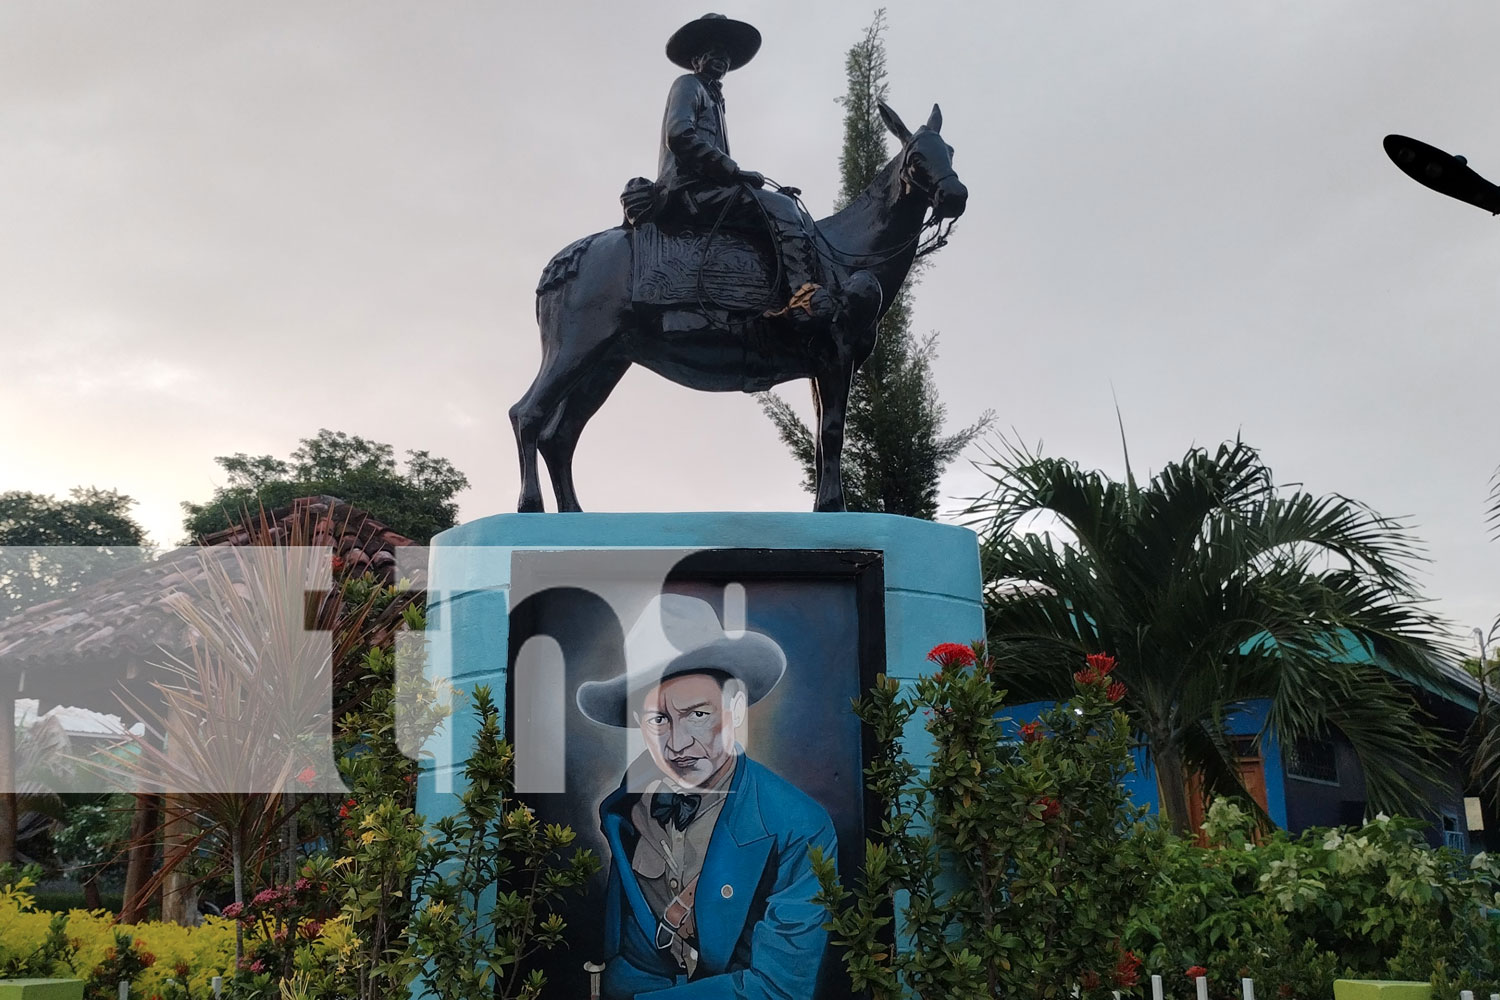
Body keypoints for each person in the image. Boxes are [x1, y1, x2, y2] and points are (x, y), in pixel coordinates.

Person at [576, 593, 838, 999]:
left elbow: (779, 990)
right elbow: (623, 948)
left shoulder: (799, 827)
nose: (677, 744)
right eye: (658, 719)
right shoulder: (624, 805)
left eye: (697, 714)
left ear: (734, 708)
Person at [656, 13, 840, 328]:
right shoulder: (688, 85)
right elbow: (679, 135)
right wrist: (735, 172)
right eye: (714, 51)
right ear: (696, 58)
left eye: (725, 54)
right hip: (689, 191)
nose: (721, 58)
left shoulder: (714, 97)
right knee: (781, 208)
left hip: (707, 189)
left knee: (782, 203)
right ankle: (803, 294)